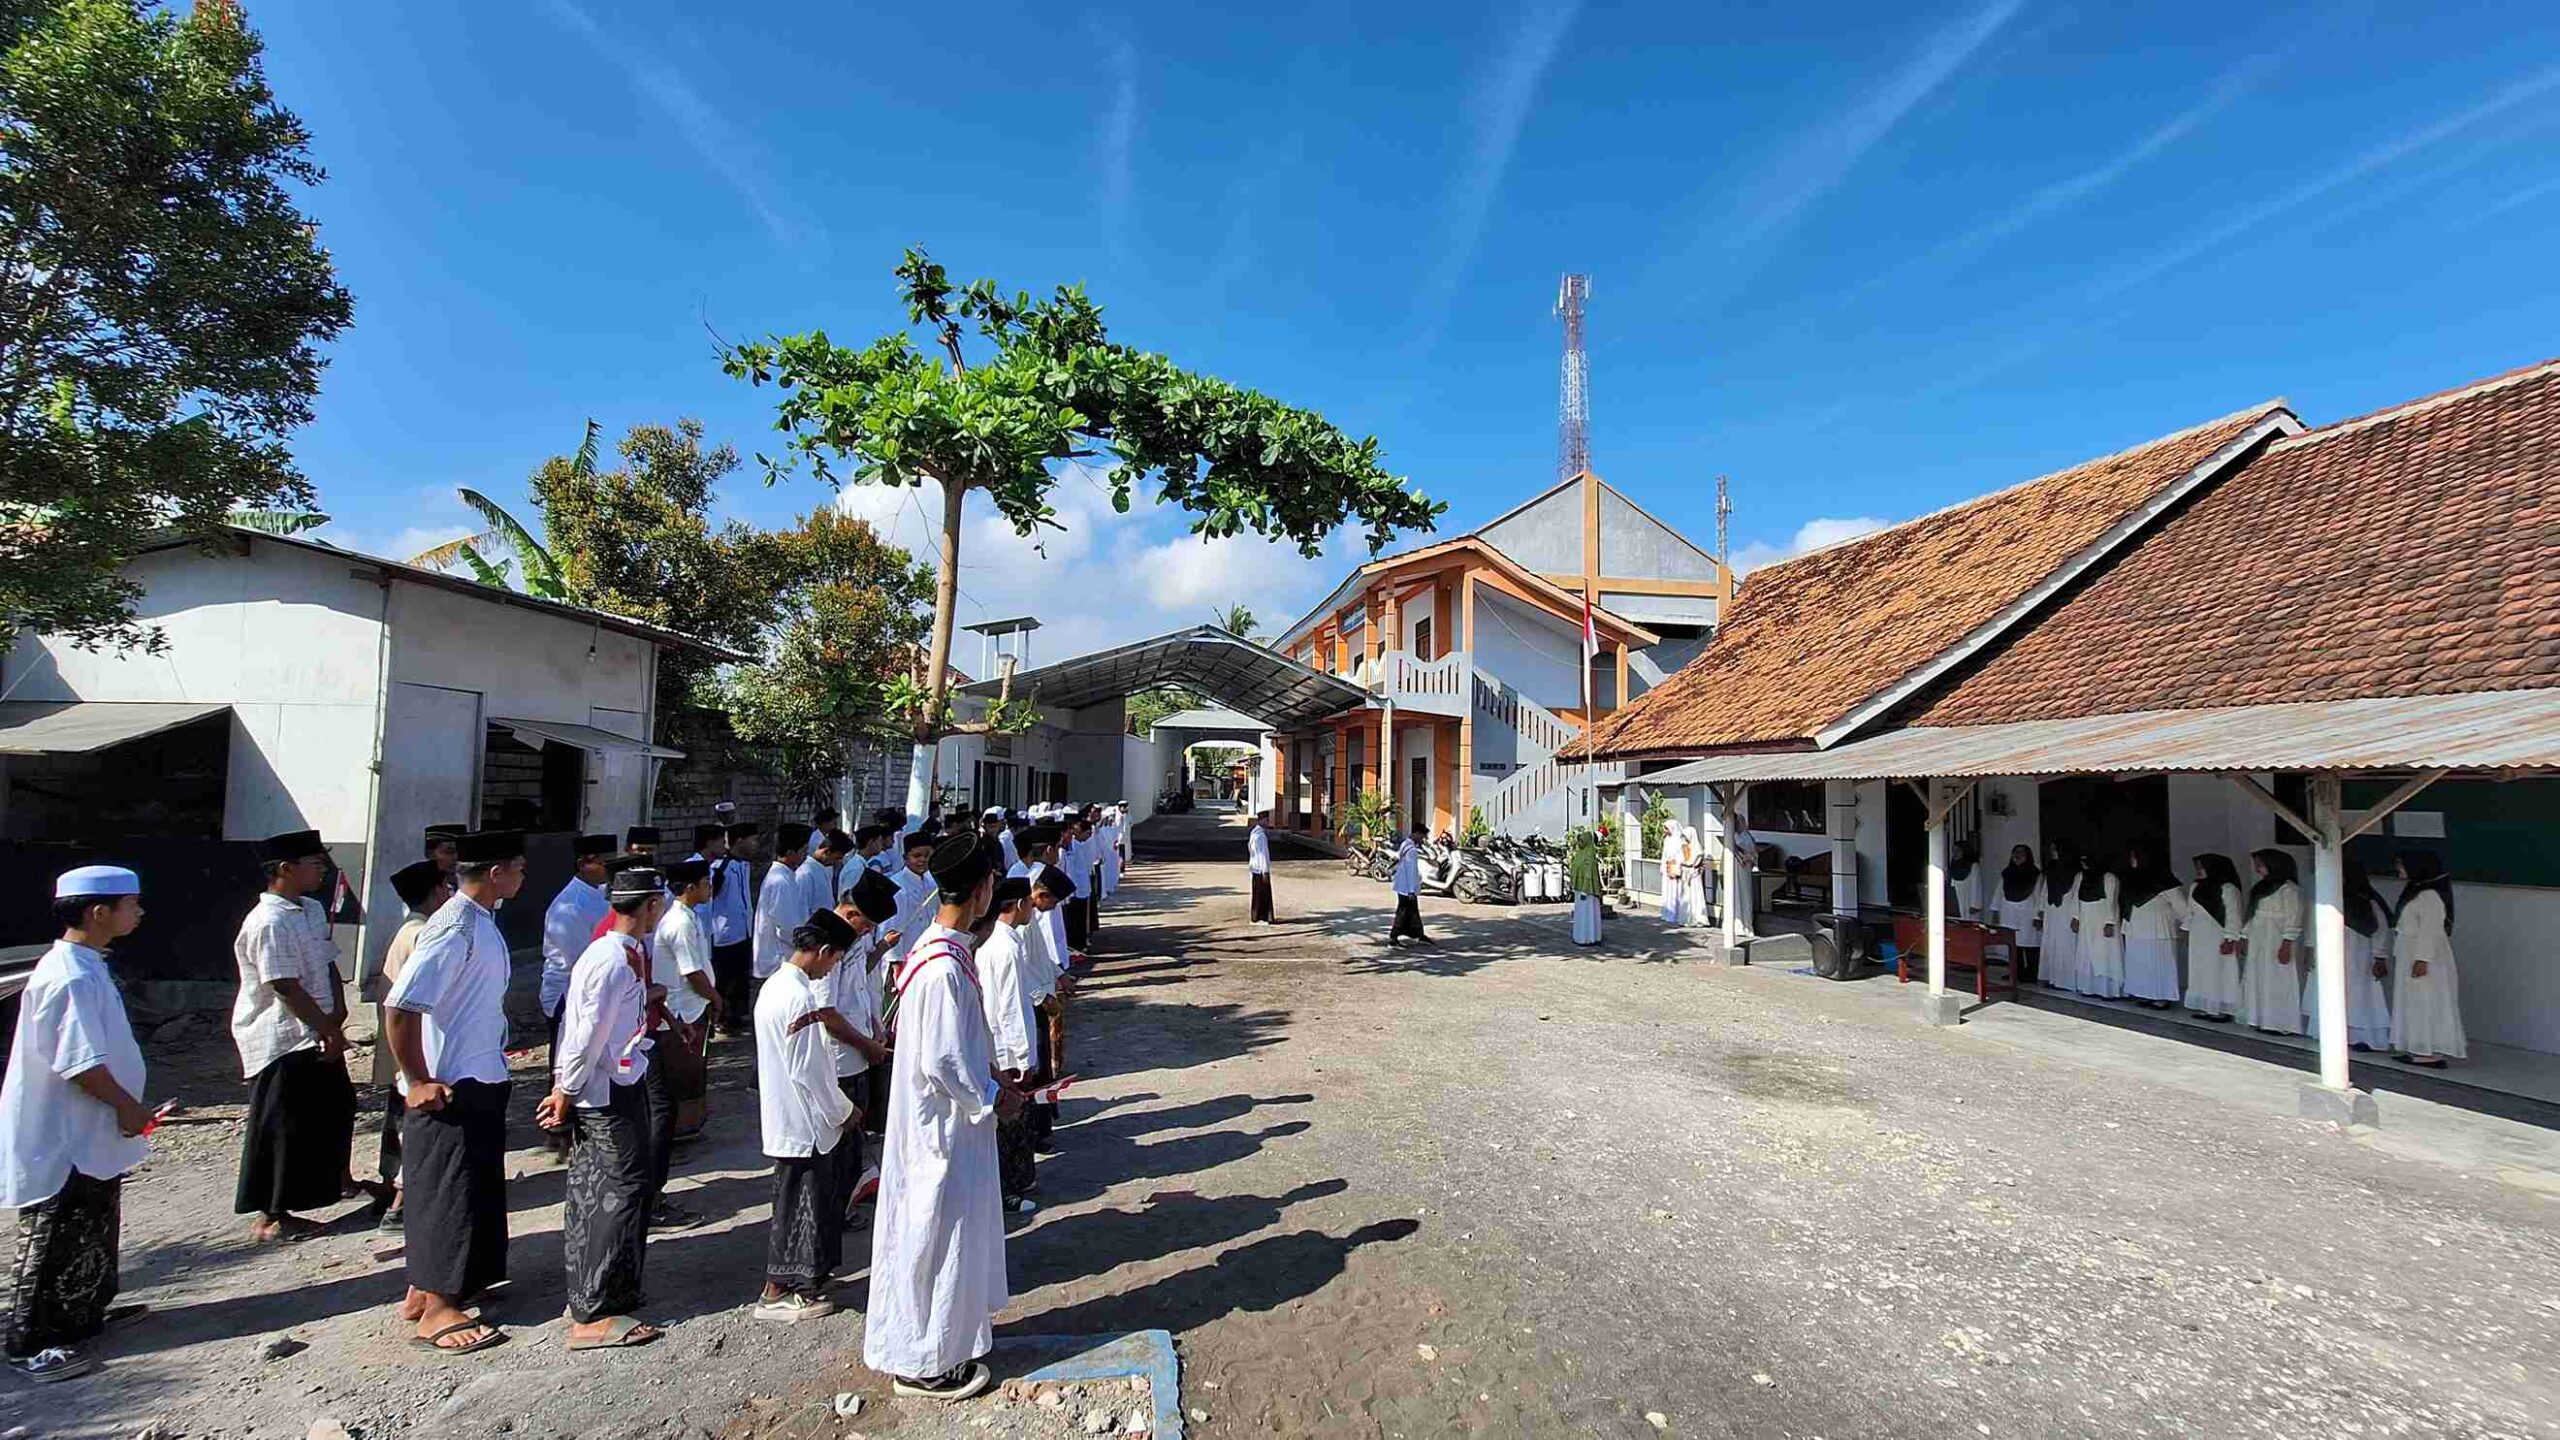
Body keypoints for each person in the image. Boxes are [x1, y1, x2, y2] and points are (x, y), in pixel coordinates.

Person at [864, 834, 1022, 1400]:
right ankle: (926, 1360)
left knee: (948, 1232)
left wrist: (992, 1076)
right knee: (935, 1235)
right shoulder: (942, 969)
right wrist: (994, 1095)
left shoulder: (943, 951)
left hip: (950, 1123)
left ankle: (946, 1343)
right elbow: (944, 1061)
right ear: (982, 890)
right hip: (941, 1128)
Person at [0, 866, 153, 1383]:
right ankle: (32, 1343)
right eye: (132, 904)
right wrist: (127, 1107)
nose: (139, 912)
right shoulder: (70, 975)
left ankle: (83, 1314)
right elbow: (80, 1063)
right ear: (99, 912)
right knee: (55, 1231)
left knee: (92, 1224)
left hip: (89, 1129)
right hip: (63, 1133)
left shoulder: (88, 965)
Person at [384, 830, 527, 1355]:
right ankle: (437, 1308)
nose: (523, 877)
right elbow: (401, 1006)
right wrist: (417, 1080)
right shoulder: (453, 926)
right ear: (496, 873)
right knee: (449, 1191)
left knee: (475, 1187)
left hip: (481, 1073)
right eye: (518, 868)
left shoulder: (481, 920)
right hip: (452, 1083)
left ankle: (434, 1288)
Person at [536, 866, 666, 1351]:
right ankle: (593, 1311)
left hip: (619, 1082)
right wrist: (565, 1090)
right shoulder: (609, 960)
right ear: (651, 905)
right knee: (616, 1192)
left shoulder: (626, 954)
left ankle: (613, 1291)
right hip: (600, 1092)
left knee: (625, 1188)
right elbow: (583, 1035)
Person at [230, 828, 367, 1242]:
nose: (323, 870)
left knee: (336, 1105)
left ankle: (338, 1180)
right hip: (283, 1035)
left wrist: (338, 1013)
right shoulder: (268, 922)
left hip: (319, 1028)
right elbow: (283, 984)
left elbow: (326, 960)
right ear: (285, 869)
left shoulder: (309, 909)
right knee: (282, 1123)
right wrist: (325, 1027)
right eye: (315, 864)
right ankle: (272, 1215)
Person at [754, 910, 862, 1322]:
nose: (831, 969)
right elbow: (810, 1070)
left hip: (790, 1114)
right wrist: (843, 1110)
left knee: (800, 1201)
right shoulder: (799, 998)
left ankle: (801, 1279)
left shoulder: (775, 986)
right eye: (834, 960)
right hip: (804, 1120)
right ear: (823, 951)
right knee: (797, 1205)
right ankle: (777, 1290)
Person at [367, 860, 452, 1231]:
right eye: (446, 888)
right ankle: (401, 1205)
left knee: (400, 1120)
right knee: (413, 1124)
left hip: (399, 1045)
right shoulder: (422, 934)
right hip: (414, 1047)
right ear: (436, 893)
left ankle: (393, 1191)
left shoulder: (408, 929)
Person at [821, 870, 900, 1208]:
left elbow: (858, 984)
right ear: (851, 913)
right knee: (840, 1138)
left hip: (860, 1045)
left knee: (856, 1134)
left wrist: (875, 1026)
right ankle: (837, 1205)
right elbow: (826, 1012)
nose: (868, 931)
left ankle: (852, 1192)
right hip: (838, 1057)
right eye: (866, 925)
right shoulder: (827, 942)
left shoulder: (854, 937)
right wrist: (866, 1044)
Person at [649, 858, 718, 1194]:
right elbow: (692, 972)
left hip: (690, 1009)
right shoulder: (679, 922)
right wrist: (715, 997)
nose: (710, 888)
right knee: (676, 1082)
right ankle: (673, 1141)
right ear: (690, 888)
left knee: (689, 1077)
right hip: (680, 1013)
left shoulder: (689, 917)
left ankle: (683, 1131)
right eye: (705, 883)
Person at [976, 877, 1041, 1212]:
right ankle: (1009, 1189)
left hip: (995, 1044)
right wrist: (1023, 1057)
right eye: (1030, 903)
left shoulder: (994, 941)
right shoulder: (1007, 947)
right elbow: (1012, 1006)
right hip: (1006, 1051)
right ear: (1019, 905)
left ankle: (1014, 1182)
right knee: (1010, 1121)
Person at [2389, 851, 2467, 1067]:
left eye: (2402, 865)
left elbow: (2430, 930)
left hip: (2424, 960)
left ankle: (2428, 1051)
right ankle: (2417, 1047)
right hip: (2410, 956)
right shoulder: (2415, 891)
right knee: (2414, 1003)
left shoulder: (2429, 896)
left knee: (2425, 1002)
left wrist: (2422, 959)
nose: (2399, 870)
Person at [2310, 858, 2395, 1051]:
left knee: (2361, 995)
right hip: (2334, 955)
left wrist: (2380, 956)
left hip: (2360, 956)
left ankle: (2363, 1037)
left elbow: (2381, 929)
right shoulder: (2332, 898)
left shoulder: (2367, 899)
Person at [541, 836, 618, 1047]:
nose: (611, 869)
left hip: (595, 989)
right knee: (567, 1058)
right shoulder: (570, 907)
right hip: (568, 994)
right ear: (583, 864)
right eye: (604, 863)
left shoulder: (602, 891)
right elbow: (579, 960)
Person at [2237, 848, 2306, 1035]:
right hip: (2258, 940)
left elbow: (2294, 917)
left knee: (2278, 979)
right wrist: (2244, 936)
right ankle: (2259, 1018)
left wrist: (2287, 942)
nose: (2257, 869)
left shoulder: (2289, 889)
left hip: (2277, 940)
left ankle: (2280, 1024)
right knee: (2258, 977)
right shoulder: (2260, 888)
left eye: (2260, 864)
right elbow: (2252, 915)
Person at [707, 824, 762, 1035]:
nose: (756, 845)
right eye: (752, 840)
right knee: (725, 978)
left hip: (742, 931)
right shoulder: (721, 867)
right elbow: (711, 898)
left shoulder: (743, 865)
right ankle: (721, 1017)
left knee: (740, 977)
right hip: (724, 934)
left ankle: (737, 1016)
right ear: (739, 841)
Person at [2180, 854, 2245, 1022]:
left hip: (2218, 934)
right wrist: (2186, 931)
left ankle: (2221, 1008)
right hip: (2198, 934)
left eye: (2202, 867)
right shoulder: (2195, 886)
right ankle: (2205, 1005)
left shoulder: (2228, 888)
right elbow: (2190, 911)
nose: (2199, 870)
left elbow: (2233, 915)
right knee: (2200, 969)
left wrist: (2230, 938)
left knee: (2219, 970)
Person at [2118, 849, 2186, 1009]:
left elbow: (2181, 907)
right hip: (2135, 929)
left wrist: (2184, 926)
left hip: (2158, 930)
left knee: (2159, 964)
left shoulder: (2166, 881)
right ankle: (2144, 994)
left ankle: (2161, 997)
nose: (2132, 860)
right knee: (2140, 963)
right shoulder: (2131, 880)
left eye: (2135, 856)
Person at [753, 825, 815, 988]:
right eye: (803, 850)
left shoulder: (786, 876)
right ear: (790, 853)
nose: (805, 855)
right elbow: (787, 927)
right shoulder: (780, 881)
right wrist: (809, 947)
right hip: (779, 960)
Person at [2072, 856, 2124, 999]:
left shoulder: (2109, 878)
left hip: (2103, 921)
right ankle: (2089, 988)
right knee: (2087, 953)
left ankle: (2108, 991)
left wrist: (2109, 922)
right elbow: (2075, 897)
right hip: (2085, 921)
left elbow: (2112, 901)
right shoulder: (2080, 876)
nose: (2083, 863)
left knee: (2105, 954)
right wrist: (2075, 917)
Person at [1989, 845, 2041, 983]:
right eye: (2015, 853)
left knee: (2030, 944)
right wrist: (1995, 911)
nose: (2017, 856)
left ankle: (2032, 974)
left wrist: (2037, 916)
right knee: (2013, 944)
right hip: (2008, 912)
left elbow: (2038, 896)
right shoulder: (2007, 873)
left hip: (2028, 912)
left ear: (2027, 856)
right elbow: (1999, 892)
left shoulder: (2035, 874)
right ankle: (2015, 972)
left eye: (2021, 853)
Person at [2038, 842, 2082, 993]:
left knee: (2066, 945)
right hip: (2052, 911)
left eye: (2055, 849)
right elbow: (2045, 889)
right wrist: (2041, 909)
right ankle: (2053, 979)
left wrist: (2076, 915)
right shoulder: (2051, 868)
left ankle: (2068, 982)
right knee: (2052, 944)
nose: (2052, 852)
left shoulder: (2075, 871)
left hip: (2067, 911)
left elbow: (2077, 893)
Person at [1387, 821, 1429, 947]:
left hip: (1402, 885)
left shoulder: (1405, 844)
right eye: (1422, 836)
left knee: (1413, 912)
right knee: (1403, 912)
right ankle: (1393, 938)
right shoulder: (1412, 851)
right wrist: (1411, 890)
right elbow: (1411, 871)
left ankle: (1419, 935)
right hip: (1407, 888)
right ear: (1417, 834)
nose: (1423, 839)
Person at [1568, 826, 1605, 947]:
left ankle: (1588, 938)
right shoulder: (1582, 855)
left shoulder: (1587, 856)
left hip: (1586, 891)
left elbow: (1589, 874)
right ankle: (1583, 937)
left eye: (1582, 841)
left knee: (1587, 914)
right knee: (1583, 914)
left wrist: (1584, 889)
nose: (1580, 843)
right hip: (1582, 890)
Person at [800, 828, 850, 908]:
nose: (837, 862)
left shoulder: (824, 870)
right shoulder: (805, 874)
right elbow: (802, 908)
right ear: (827, 852)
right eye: (837, 858)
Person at [1676, 822, 1709, 926]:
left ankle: (1697, 917)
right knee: (1686, 896)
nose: (1685, 839)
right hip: (1685, 875)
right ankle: (1686, 917)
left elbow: (1693, 862)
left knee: (1695, 896)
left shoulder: (1697, 849)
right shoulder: (1684, 847)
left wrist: (1685, 863)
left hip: (1694, 877)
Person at [1246, 810, 1275, 924]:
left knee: (1256, 894)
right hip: (1261, 869)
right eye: (1266, 820)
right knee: (1263, 894)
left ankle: (1256, 916)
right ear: (1261, 820)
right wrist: (1266, 871)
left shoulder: (1254, 833)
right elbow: (1263, 855)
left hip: (1254, 867)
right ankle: (1263, 917)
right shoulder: (1261, 836)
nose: (1268, 823)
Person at [1946, 840, 1982, 921]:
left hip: (1968, 900)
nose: (1955, 853)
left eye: (1958, 851)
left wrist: (1975, 905)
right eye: (1953, 851)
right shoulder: (1953, 865)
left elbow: (1976, 886)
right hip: (1955, 901)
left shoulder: (1973, 866)